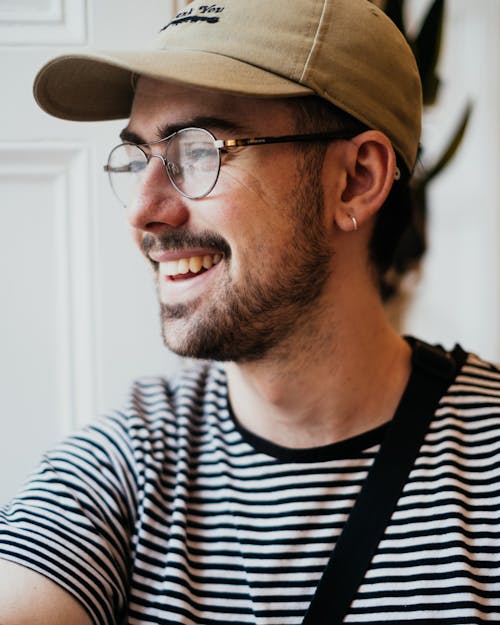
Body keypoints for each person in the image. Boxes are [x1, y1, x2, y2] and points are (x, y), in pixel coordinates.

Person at [1, 0, 499, 623]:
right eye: (137, 157)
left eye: (199, 151)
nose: (143, 210)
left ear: (356, 179)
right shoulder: (127, 465)